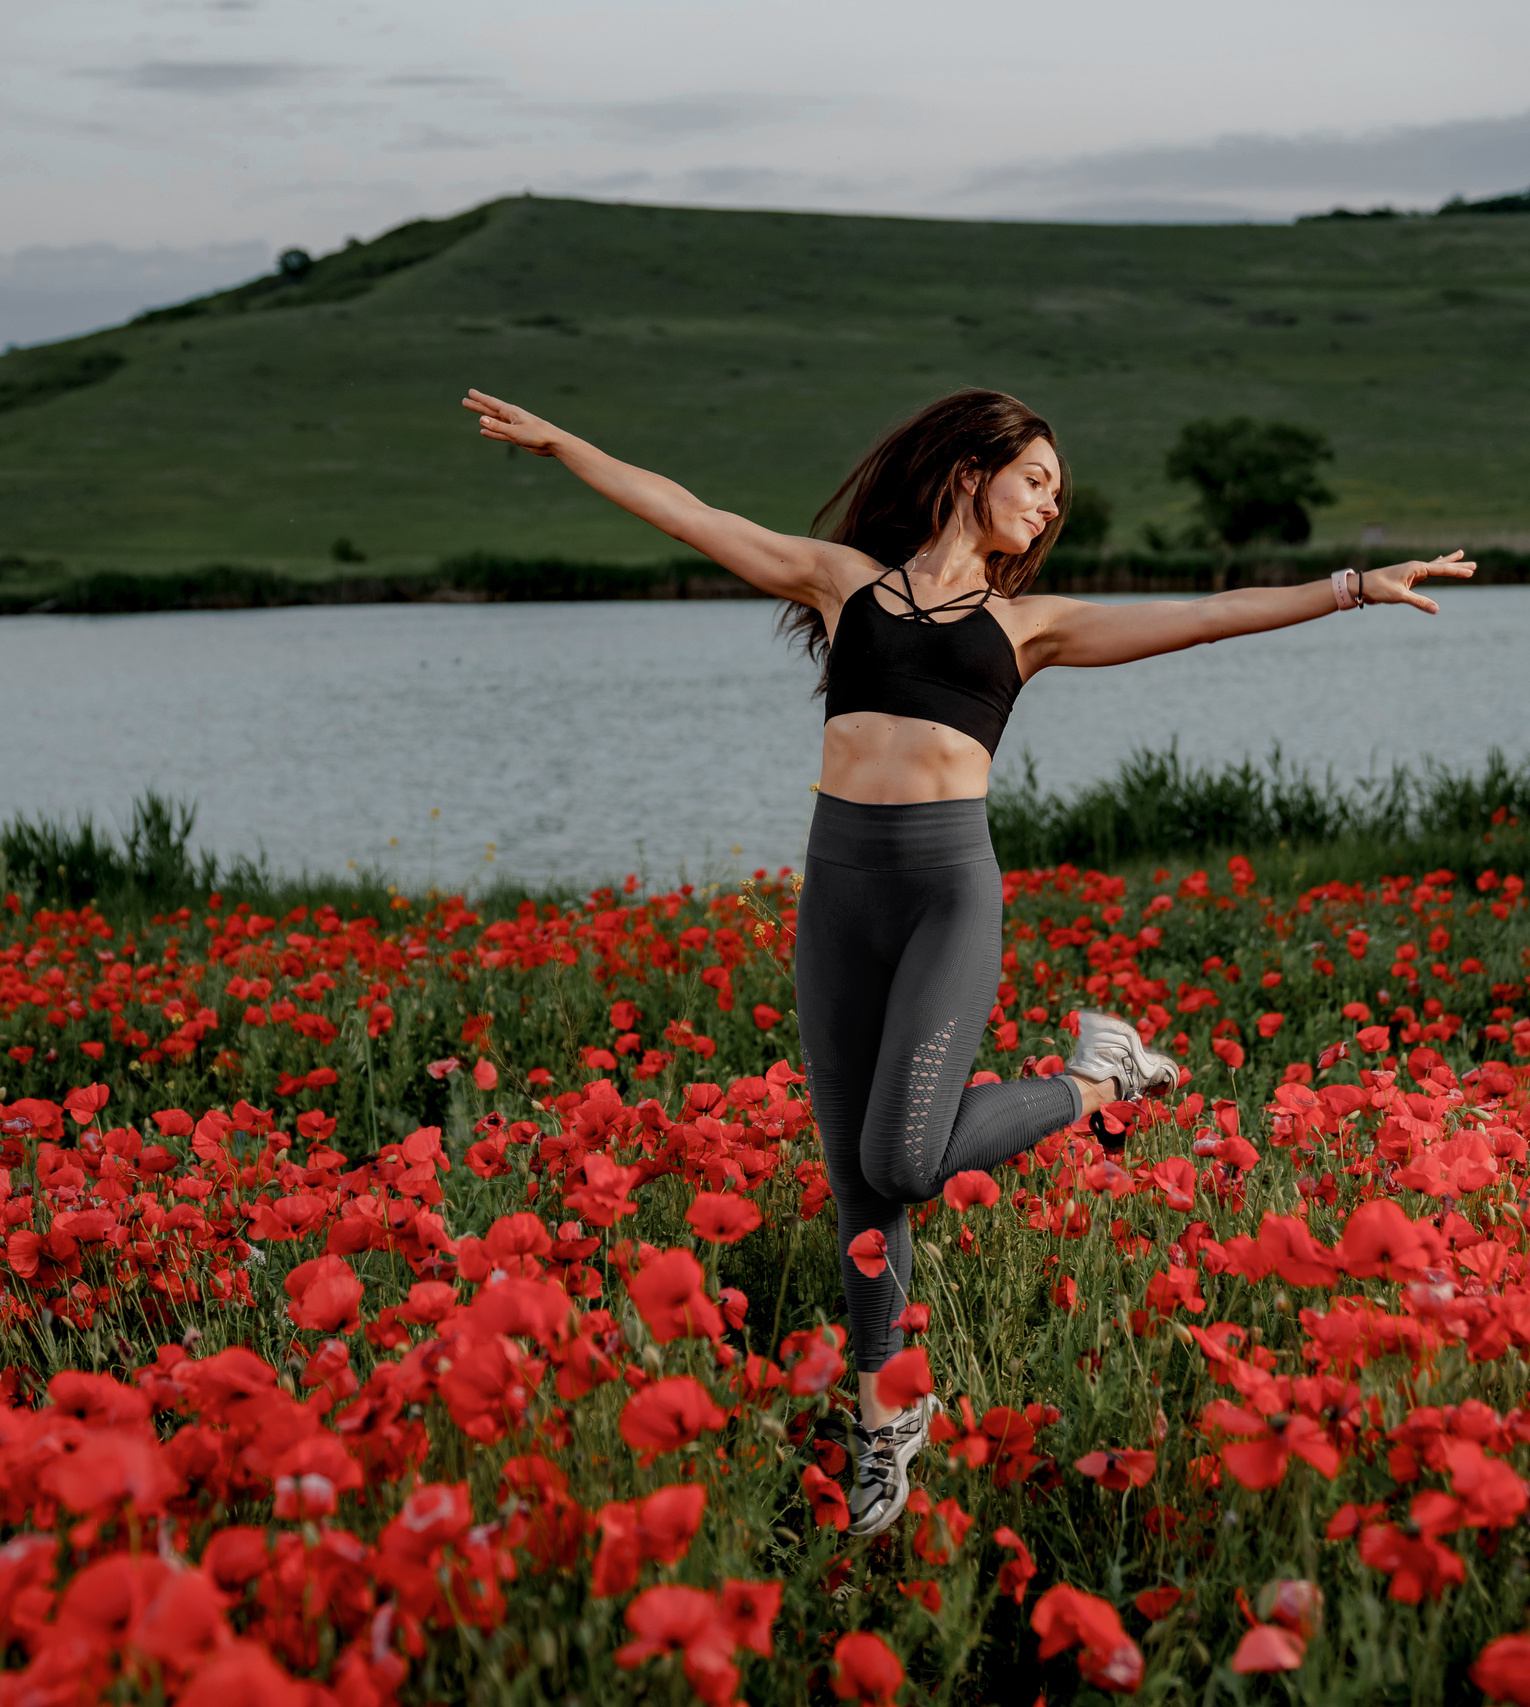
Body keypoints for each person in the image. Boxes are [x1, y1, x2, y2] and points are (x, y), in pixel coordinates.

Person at [460, 385, 1472, 1537]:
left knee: (900, 1160)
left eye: (1055, 497)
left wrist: (1350, 588)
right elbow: (689, 513)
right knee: (858, 1191)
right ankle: (884, 1422)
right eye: (1034, 481)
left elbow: (1202, 615)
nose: (1046, 509)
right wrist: (564, 443)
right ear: (968, 471)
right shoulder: (843, 585)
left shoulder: (1028, 628)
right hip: (839, 898)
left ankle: (1098, 1080)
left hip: (947, 896)